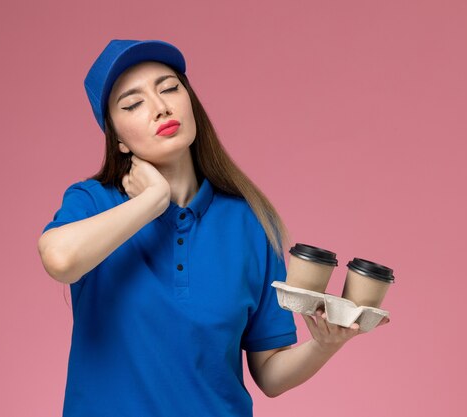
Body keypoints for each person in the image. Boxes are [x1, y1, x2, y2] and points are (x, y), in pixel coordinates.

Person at [38, 39, 388, 417]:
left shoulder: (249, 221)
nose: (160, 107)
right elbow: (60, 260)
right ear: (117, 138)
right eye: (133, 103)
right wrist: (152, 201)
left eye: (170, 87)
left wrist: (325, 343)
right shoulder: (93, 202)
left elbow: (270, 373)